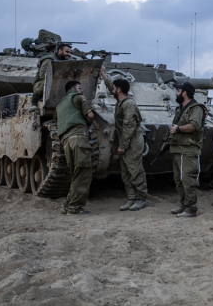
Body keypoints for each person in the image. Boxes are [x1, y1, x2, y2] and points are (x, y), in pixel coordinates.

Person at [100, 65, 148, 211]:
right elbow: (111, 85)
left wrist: (123, 146)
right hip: (126, 142)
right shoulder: (121, 101)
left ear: (119, 90)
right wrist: (103, 73)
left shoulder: (128, 105)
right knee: (126, 172)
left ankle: (141, 199)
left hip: (132, 142)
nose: (111, 90)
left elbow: (129, 127)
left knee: (135, 170)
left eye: (114, 89)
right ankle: (131, 198)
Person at [55, 80, 94, 215]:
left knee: (75, 175)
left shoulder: (59, 105)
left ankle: (67, 206)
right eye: (80, 87)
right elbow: (90, 115)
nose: (82, 90)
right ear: (73, 89)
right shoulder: (79, 98)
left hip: (66, 141)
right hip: (79, 138)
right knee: (83, 174)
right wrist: (87, 125)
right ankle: (74, 208)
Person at [168, 82, 206, 218]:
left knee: (188, 180)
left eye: (178, 91)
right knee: (179, 180)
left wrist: (178, 129)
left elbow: (194, 125)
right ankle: (184, 205)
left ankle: (190, 209)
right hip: (178, 148)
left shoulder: (196, 108)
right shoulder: (181, 109)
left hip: (188, 150)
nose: (176, 94)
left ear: (184, 93)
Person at [29, 43, 72, 110]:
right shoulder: (49, 60)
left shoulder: (64, 61)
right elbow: (42, 75)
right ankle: (34, 103)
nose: (69, 54)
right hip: (42, 85)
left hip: (58, 84)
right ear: (60, 51)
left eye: (70, 52)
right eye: (67, 52)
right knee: (48, 81)